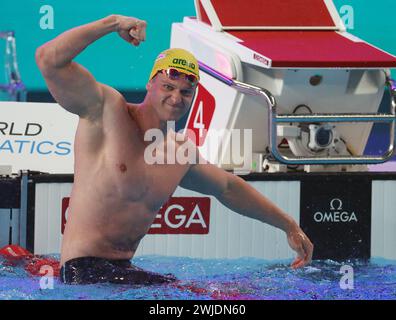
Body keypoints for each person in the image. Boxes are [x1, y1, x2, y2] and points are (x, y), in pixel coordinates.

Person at [35, 14, 313, 285]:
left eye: (185, 92)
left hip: (124, 272)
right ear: (150, 84)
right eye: (168, 86)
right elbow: (48, 59)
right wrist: (111, 23)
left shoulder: (179, 152)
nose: (175, 97)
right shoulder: (106, 111)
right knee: (196, 294)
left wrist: (288, 225)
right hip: (82, 272)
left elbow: (228, 188)